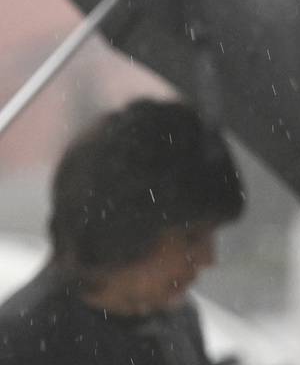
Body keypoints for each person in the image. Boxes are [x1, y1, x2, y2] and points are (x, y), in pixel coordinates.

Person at [0, 98, 245, 365]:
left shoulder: (175, 323)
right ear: (130, 231)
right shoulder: (23, 341)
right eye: (191, 238)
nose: (209, 259)